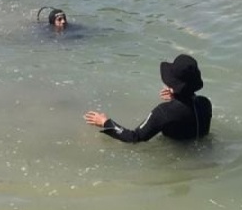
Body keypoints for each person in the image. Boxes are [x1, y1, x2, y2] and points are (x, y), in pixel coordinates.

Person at [84, 54, 212, 143]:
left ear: (172, 86)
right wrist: (175, 97)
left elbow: (135, 138)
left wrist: (106, 123)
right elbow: (187, 108)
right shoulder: (205, 103)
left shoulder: (164, 112)